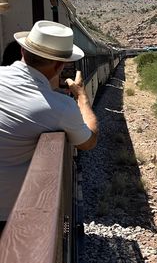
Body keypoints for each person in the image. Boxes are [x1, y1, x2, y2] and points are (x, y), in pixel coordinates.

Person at [0, 20, 99, 233]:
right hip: (9, 215)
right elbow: (89, 141)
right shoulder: (60, 106)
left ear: (22, 51)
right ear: (59, 65)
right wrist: (81, 96)